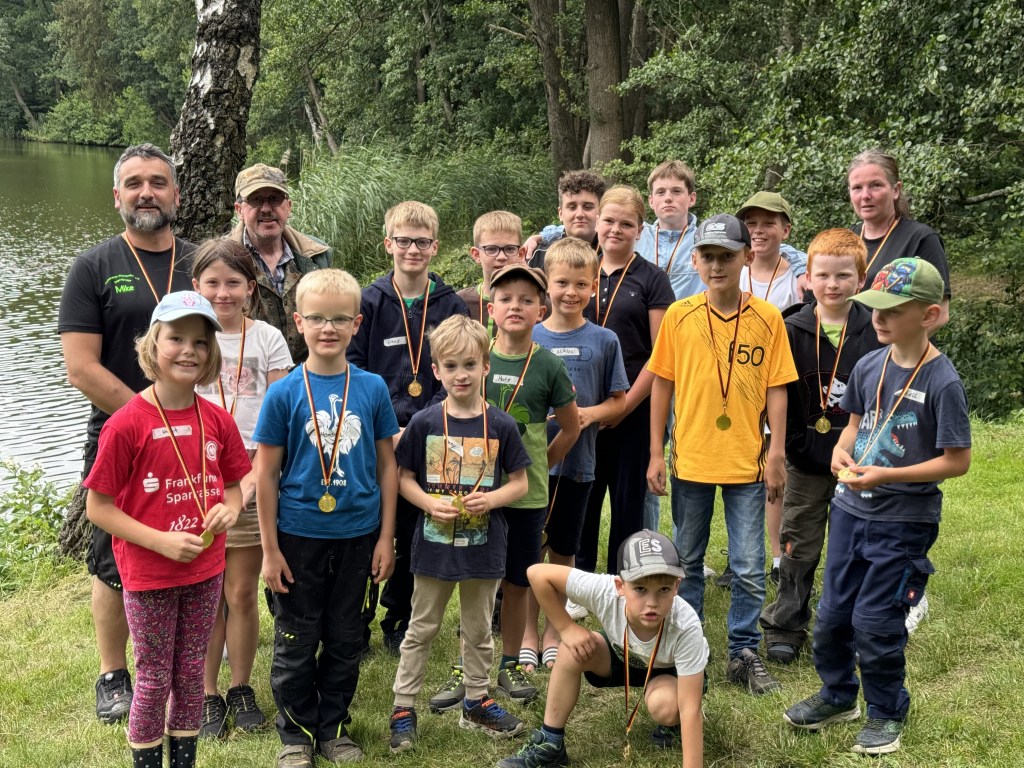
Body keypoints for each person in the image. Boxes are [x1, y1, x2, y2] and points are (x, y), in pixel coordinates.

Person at [784, 257, 971, 755]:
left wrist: (889, 474)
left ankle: (887, 712)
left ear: (929, 315)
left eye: (892, 310)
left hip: (903, 521)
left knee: (876, 623)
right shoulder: (870, 364)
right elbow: (852, 427)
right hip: (850, 509)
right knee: (832, 616)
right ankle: (838, 695)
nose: (879, 319)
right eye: (875, 309)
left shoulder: (943, 382)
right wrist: (843, 451)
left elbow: (957, 462)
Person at [58, 142, 196, 724]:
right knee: (114, 556)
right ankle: (114, 673)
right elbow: (80, 367)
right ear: (117, 196)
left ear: (176, 194)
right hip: (121, 429)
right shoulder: (93, 266)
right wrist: (149, 414)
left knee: (194, 546)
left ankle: (188, 672)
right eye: (134, 183)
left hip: (197, 430)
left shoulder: (200, 261)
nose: (147, 192)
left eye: (158, 182)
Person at [84, 291, 250, 768]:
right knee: (155, 676)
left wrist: (229, 510)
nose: (188, 351)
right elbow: (99, 507)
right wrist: (158, 540)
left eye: (200, 342)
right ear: (153, 345)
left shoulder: (216, 420)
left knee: (193, 672)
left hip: (206, 570)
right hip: (151, 574)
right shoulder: (127, 424)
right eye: (176, 338)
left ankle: (184, 761)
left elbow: (236, 487)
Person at [647, 213, 797, 696]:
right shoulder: (679, 315)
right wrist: (656, 451)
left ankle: (743, 651)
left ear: (746, 258)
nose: (717, 266)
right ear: (695, 259)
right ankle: (689, 651)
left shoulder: (769, 318)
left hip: (747, 462)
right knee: (686, 561)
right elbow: (662, 385)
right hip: (690, 458)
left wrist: (775, 452)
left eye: (727, 256)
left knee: (751, 564)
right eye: (708, 256)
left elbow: (778, 387)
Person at [255, 269, 399, 767]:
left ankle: (334, 728)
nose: (328, 328)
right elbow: (267, 474)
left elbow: (387, 465)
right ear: (298, 322)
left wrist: (387, 538)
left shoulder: (374, 388)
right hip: (298, 536)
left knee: (346, 637)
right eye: (316, 318)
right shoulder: (284, 393)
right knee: (296, 637)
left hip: (359, 534)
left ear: (357, 323)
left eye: (340, 318)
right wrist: (270, 550)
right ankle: (295, 736)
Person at [388, 315, 532, 752]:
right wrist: (428, 503)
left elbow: (521, 483)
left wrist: (492, 499)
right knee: (422, 626)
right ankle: (403, 707)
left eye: (470, 364)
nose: (461, 374)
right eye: (450, 366)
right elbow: (403, 478)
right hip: (433, 547)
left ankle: (476, 699)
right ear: (436, 371)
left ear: (486, 366)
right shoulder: (426, 423)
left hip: (485, 549)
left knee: (477, 630)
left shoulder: (501, 425)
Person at [348, 200, 470, 655]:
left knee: (415, 529)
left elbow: (460, 368)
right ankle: (356, 618)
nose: (412, 249)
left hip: (429, 433)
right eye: (404, 241)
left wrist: (417, 426)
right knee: (370, 525)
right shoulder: (370, 300)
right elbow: (354, 366)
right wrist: (386, 425)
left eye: (422, 242)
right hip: (378, 434)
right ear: (389, 245)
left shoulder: (451, 303)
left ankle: (399, 617)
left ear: (435, 247)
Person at [758, 229, 880, 664]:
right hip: (805, 458)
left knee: (858, 546)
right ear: (807, 278)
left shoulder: (873, 329)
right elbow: (774, 392)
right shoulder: (791, 327)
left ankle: (852, 626)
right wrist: (777, 450)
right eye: (823, 275)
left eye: (844, 275)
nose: (833, 284)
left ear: (860, 279)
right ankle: (786, 624)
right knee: (799, 543)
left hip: (860, 460)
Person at [192, 239, 293, 737]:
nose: (223, 293)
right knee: (207, 594)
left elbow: (281, 416)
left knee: (240, 592)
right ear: (196, 288)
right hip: (196, 481)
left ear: (251, 289)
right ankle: (205, 695)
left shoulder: (269, 338)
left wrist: (254, 479)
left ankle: (240, 686)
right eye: (212, 283)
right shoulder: (188, 338)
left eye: (233, 283)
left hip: (254, 475)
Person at [497, 530, 708, 768]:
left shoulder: (685, 624)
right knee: (569, 649)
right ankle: (551, 744)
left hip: (670, 671)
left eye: (664, 589)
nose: (652, 602)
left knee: (666, 707)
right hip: (621, 656)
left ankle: (673, 723)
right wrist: (566, 628)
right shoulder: (605, 590)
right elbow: (537, 574)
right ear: (620, 585)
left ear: (677, 585)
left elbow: (691, 708)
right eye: (640, 589)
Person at [521, 237, 629, 672]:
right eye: (562, 282)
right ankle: (527, 632)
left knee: (564, 551)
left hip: (578, 466)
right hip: (527, 469)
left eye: (580, 284)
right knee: (530, 552)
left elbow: (618, 402)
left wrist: (585, 415)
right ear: (547, 286)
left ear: (593, 288)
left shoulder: (604, 340)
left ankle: (553, 629)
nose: (570, 292)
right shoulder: (528, 335)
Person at [578, 186, 675, 577]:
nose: (615, 229)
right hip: (581, 410)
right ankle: (580, 581)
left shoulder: (652, 280)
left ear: (640, 230)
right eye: (609, 221)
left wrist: (625, 406)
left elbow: (660, 354)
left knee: (626, 503)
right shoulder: (579, 270)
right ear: (597, 223)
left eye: (626, 224)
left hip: (633, 410)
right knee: (582, 498)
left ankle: (622, 579)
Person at [736, 191, 803, 587]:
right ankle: (744, 553)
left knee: (777, 468)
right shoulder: (733, 267)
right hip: (737, 385)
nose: (759, 231)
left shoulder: (797, 276)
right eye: (752, 224)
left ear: (785, 229)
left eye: (768, 223)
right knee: (745, 468)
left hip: (780, 380)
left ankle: (778, 554)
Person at [229, 163, 331, 362]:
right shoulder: (223, 260)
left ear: (288, 206)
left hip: (306, 381)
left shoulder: (316, 256)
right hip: (248, 381)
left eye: (275, 199)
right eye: (256, 200)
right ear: (239, 209)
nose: (266, 209)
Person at [846, 149, 951, 327]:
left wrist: (896, 353)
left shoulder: (920, 239)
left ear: (896, 190)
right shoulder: (844, 240)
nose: (865, 195)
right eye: (857, 187)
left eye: (875, 185)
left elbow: (940, 314)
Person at [456, 210, 527, 336]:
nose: (501, 257)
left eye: (510, 249)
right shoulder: (460, 302)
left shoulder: (536, 302)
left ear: (521, 254)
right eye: (492, 249)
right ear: (476, 254)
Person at [527, 170, 606, 270]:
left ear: (601, 211)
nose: (580, 214)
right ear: (560, 213)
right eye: (572, 207)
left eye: (588, 207)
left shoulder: (613, 255)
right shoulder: (538, 255)